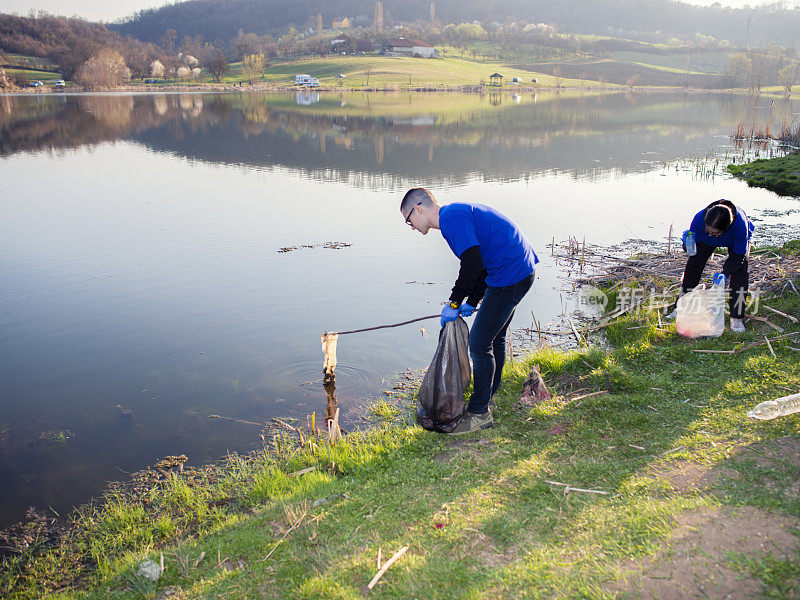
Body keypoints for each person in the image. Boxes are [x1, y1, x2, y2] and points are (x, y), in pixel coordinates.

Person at [401, 188, 538, 434]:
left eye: (409, 220)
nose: (411, 226)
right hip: (517, 270)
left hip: (511, 275)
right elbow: (482, 263)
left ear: (418, 209)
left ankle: (479, 414)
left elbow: (472, 263)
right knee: (495, 338)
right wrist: (472, 301)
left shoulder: (451, 219)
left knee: (479, 344)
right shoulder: (454, 216)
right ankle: (487, 397)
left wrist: (453, 302)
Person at [668, 199, 755, 332]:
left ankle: (736, 318)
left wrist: (725, 273)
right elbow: (692, 251)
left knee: (740, 273)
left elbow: (738, 256)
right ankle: (680, 307)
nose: (710, 234)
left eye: (714, 233)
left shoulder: (740, 226)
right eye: (707, 230)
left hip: (734, 241)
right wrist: (687, 244)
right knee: (693, 266)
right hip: (705, 241)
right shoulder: (699, 219)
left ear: (725, 230)